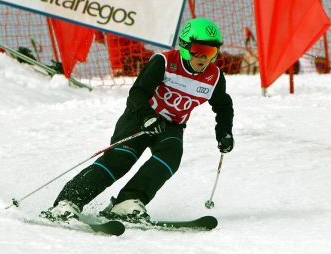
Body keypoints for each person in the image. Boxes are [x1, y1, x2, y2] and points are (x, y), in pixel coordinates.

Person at [41, 17, 235, 223]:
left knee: (170, 158)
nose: (204, 58)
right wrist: (147, 117)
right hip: (139, 117)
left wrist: (224, 132)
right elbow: (138, 92)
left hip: (171, 126)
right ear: (185, 46)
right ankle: (68, 202)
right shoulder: (165, 62)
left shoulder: (213, 77)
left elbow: (223, 106)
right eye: (199, 50)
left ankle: (127, 202)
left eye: (211, 52)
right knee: (120, 160)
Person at [98, 0, 154, 76]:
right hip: (132, 25)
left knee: (117, 57)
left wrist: (98, 36)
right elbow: (145, 7)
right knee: (136, 52)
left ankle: (119, 71)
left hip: (111, 28)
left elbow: (97, 11)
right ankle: (139, 68)